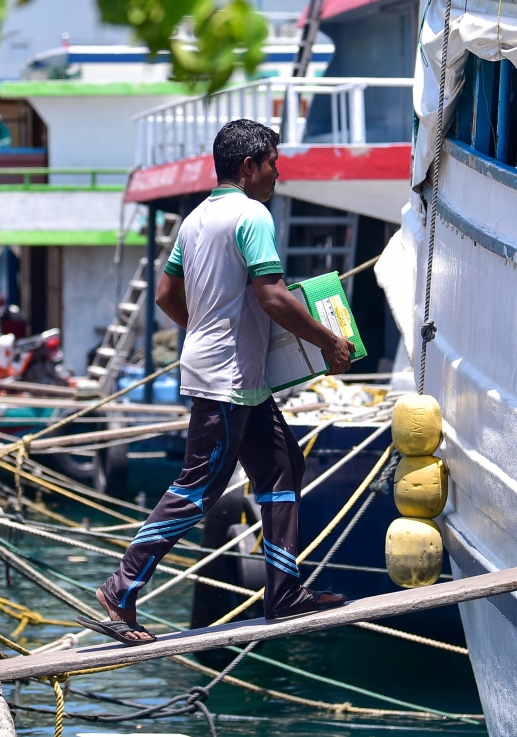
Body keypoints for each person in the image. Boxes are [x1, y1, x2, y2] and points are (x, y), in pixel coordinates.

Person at [78, 120, 356, 645]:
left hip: (235, 375)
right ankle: (121, 585)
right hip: (228, 378)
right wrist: (327, 342)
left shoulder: (195, 219)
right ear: (249, 167)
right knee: (198, 487)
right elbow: (273, 296)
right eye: (273, 161)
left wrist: (204, 329)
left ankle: (283, 590)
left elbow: (165, 295)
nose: (279, 171)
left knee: (280, 467)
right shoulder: (252, 215)